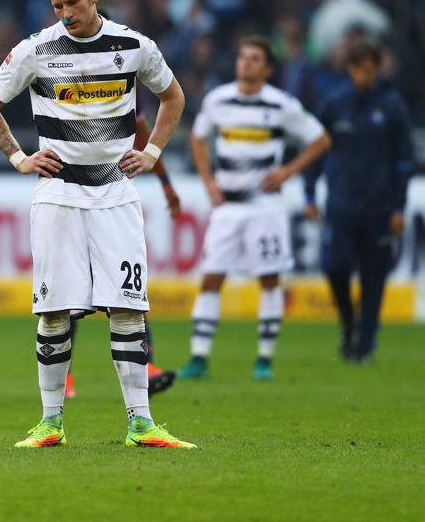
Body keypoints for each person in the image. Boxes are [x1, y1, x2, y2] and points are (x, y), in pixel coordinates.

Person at [0, 0, 196, 449]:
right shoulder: (36, 50)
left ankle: (141, 423)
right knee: (54, 312)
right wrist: (19, 158)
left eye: (72, 2)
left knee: (127, 307)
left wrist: (153, 152)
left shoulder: (134, 46)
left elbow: (174, 96)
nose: (65, 13)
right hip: (58, 194)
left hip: (116, 193)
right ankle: (50, 423)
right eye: (56, 6)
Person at [177, 35, 331, 382]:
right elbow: (198, 138)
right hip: (227, 207)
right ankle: (199, 357)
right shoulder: (218, 100)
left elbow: (321, 139)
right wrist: (208, 183)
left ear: (267, 68)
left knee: (270, 279)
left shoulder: (281, 104)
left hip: (265, 207)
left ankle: (264, 358)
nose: (245, 63)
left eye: (254, 58)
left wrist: (288, 172)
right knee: (212, 277)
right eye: (243, 56)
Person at [303, 39, 413, 364]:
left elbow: (403, 160)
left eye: (370, 70)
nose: (365, 76)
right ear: (351, 69)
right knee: (335, 266)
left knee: (373, 275)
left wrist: (399, 207)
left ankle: (364, 345)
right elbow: (315, 149)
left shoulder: (392, 107)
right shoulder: (334, 104)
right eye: (360, 69)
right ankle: (348, 321)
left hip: (379, 204)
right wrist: (310, 193)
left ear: (377, 69)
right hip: (341, 202)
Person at [66, 112, 181, 400]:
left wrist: (163, 179)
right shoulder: (59, 77)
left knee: (129, 288)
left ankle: (147, 366)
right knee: (70, 295)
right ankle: (63, 376)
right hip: (69, 200)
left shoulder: (122, 76)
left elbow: (143, 131)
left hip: (114, 204)